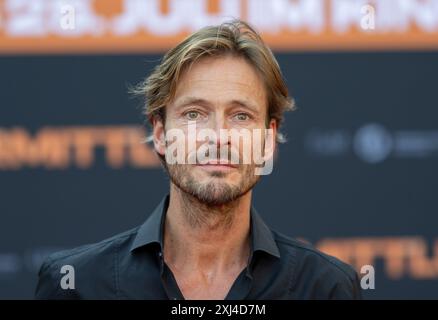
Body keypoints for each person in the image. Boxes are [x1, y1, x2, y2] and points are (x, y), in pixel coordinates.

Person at [35, 19, 362, 300]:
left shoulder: (325, 287)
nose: (218, 136)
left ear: (267, 140)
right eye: (194, 113)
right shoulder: (78, 284)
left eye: (241, 116)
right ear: (160, 134)